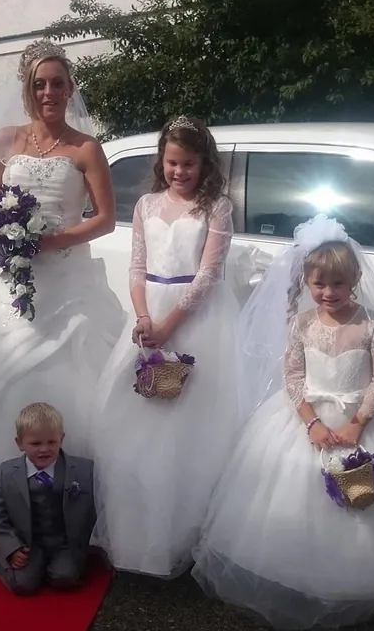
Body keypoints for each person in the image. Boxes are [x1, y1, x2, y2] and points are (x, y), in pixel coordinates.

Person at [191, 215, 374, 629]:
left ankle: (355, 578)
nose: (329, 293)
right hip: (306, 420)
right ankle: (297, 573)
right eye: (320, 284)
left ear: (355, 281)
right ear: (308, 283)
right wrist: (310, 421)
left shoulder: (370, 324)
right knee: (290, 488)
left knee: (361, 500)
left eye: (338, 284)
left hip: (359, 422)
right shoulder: (302, 323)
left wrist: (358, 423)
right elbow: (292, 376)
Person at [0, 39, 125, 555]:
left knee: (70, 376)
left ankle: (70, 512)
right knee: (5, 379)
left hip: (67, 284)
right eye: (39, 84)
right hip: (11, 283)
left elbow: (105, 217)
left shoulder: (85, 148)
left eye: (57, 82)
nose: (48, 91)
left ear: (70, 89)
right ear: (27, 91)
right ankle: (5, 510)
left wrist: (52, 239)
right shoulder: (6, 140)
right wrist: (7, 237)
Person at [92, 116, 243, 578]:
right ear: (162, 161)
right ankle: (136, 530)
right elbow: (137, 267)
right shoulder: (145, 204)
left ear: (204, 164)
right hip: (148, 315)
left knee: (187, 431)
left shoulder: (215, 207)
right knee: (134, 422)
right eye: (173, 162)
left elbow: (208, 275)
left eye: (189, 164)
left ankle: (180, 533)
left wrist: (170, 324)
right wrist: (143, 318)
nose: (180, 171)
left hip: (194, 317)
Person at [0, 403, 96, 595]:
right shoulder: (7, 472)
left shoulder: (82, 469)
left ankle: (47, 569)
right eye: (36, 444)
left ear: (61, 439)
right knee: (23, 586)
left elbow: (93, 512)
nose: (44, 449)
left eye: (51, 442)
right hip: (27, 542)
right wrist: (12, 548)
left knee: (65, 578)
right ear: (19, 443)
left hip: (63, 542)